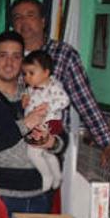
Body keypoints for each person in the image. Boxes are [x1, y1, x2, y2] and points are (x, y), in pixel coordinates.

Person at [0, 31, 66, 218]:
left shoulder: (37, 93)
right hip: (0, 197)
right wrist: (25, 124)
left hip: (40, 195)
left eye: (16, 56)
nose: (9, 63)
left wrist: (52, 143)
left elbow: (61, 138)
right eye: (3, 56)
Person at [10, 0, 110, 163]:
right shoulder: (7, 57)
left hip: (50, 146)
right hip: (12, 151)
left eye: (30, 15)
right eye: (18, 17)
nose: (24, 22)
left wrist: (108, 143)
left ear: (43, 21)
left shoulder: (63, 55)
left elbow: (85, 101)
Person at [21, 50, 69, 191]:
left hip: (49, 122)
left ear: (46, 73)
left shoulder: (54, 86)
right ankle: (57, 175)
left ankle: (46, 175)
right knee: (47, 153)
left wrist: (48, 108)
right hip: (36, 123)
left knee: (33, 152)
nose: (27, 77)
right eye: (25, 74)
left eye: (31, 73)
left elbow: (65, 100)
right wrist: (24, 98)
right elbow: (27, 95)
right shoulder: (31, 87)